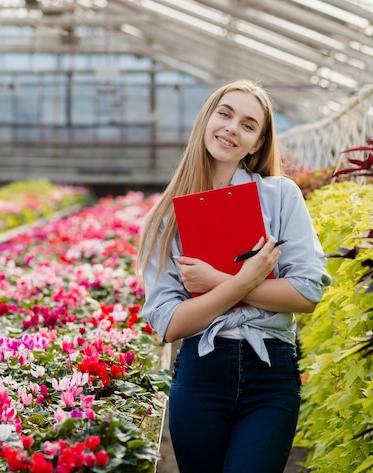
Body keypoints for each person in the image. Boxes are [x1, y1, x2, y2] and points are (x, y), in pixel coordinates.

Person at [136, 79, 331, 473]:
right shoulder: (166, 218)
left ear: (257, 143)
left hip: (270, 376)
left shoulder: (280, 196)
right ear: (207, 118)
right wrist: (245, 280)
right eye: (224, 114)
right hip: (201, 375)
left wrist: (215, 280)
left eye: (247, 124)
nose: (231, 128)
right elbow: (170, 324)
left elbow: (306, 294)